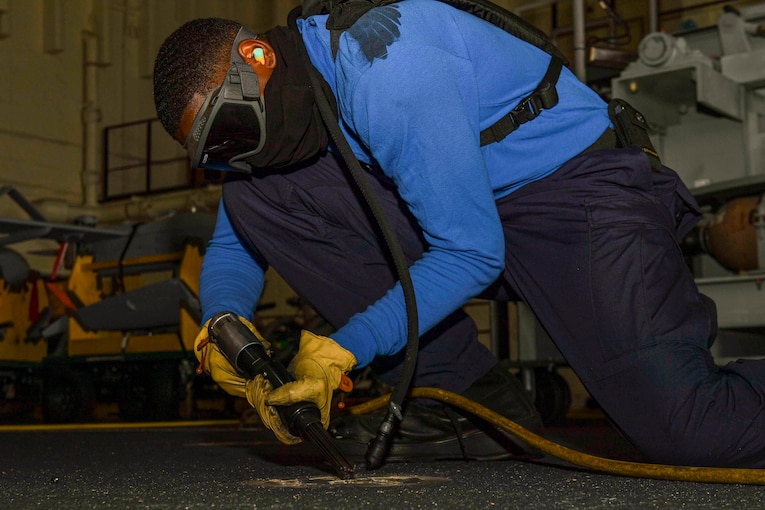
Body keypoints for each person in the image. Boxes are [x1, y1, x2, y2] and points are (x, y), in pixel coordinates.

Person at [153, 0, 765, 468]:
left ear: (258, 58)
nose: (238, 156)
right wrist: (221, 328)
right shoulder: (294, 113)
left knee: (694, 430)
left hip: (578, 197)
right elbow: (237, 238)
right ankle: (461, 399)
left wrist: (346, 347)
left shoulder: (381, 60)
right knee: (261, 192)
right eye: (218, 155)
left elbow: (471, 251)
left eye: (232, 131)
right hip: (472, 213)